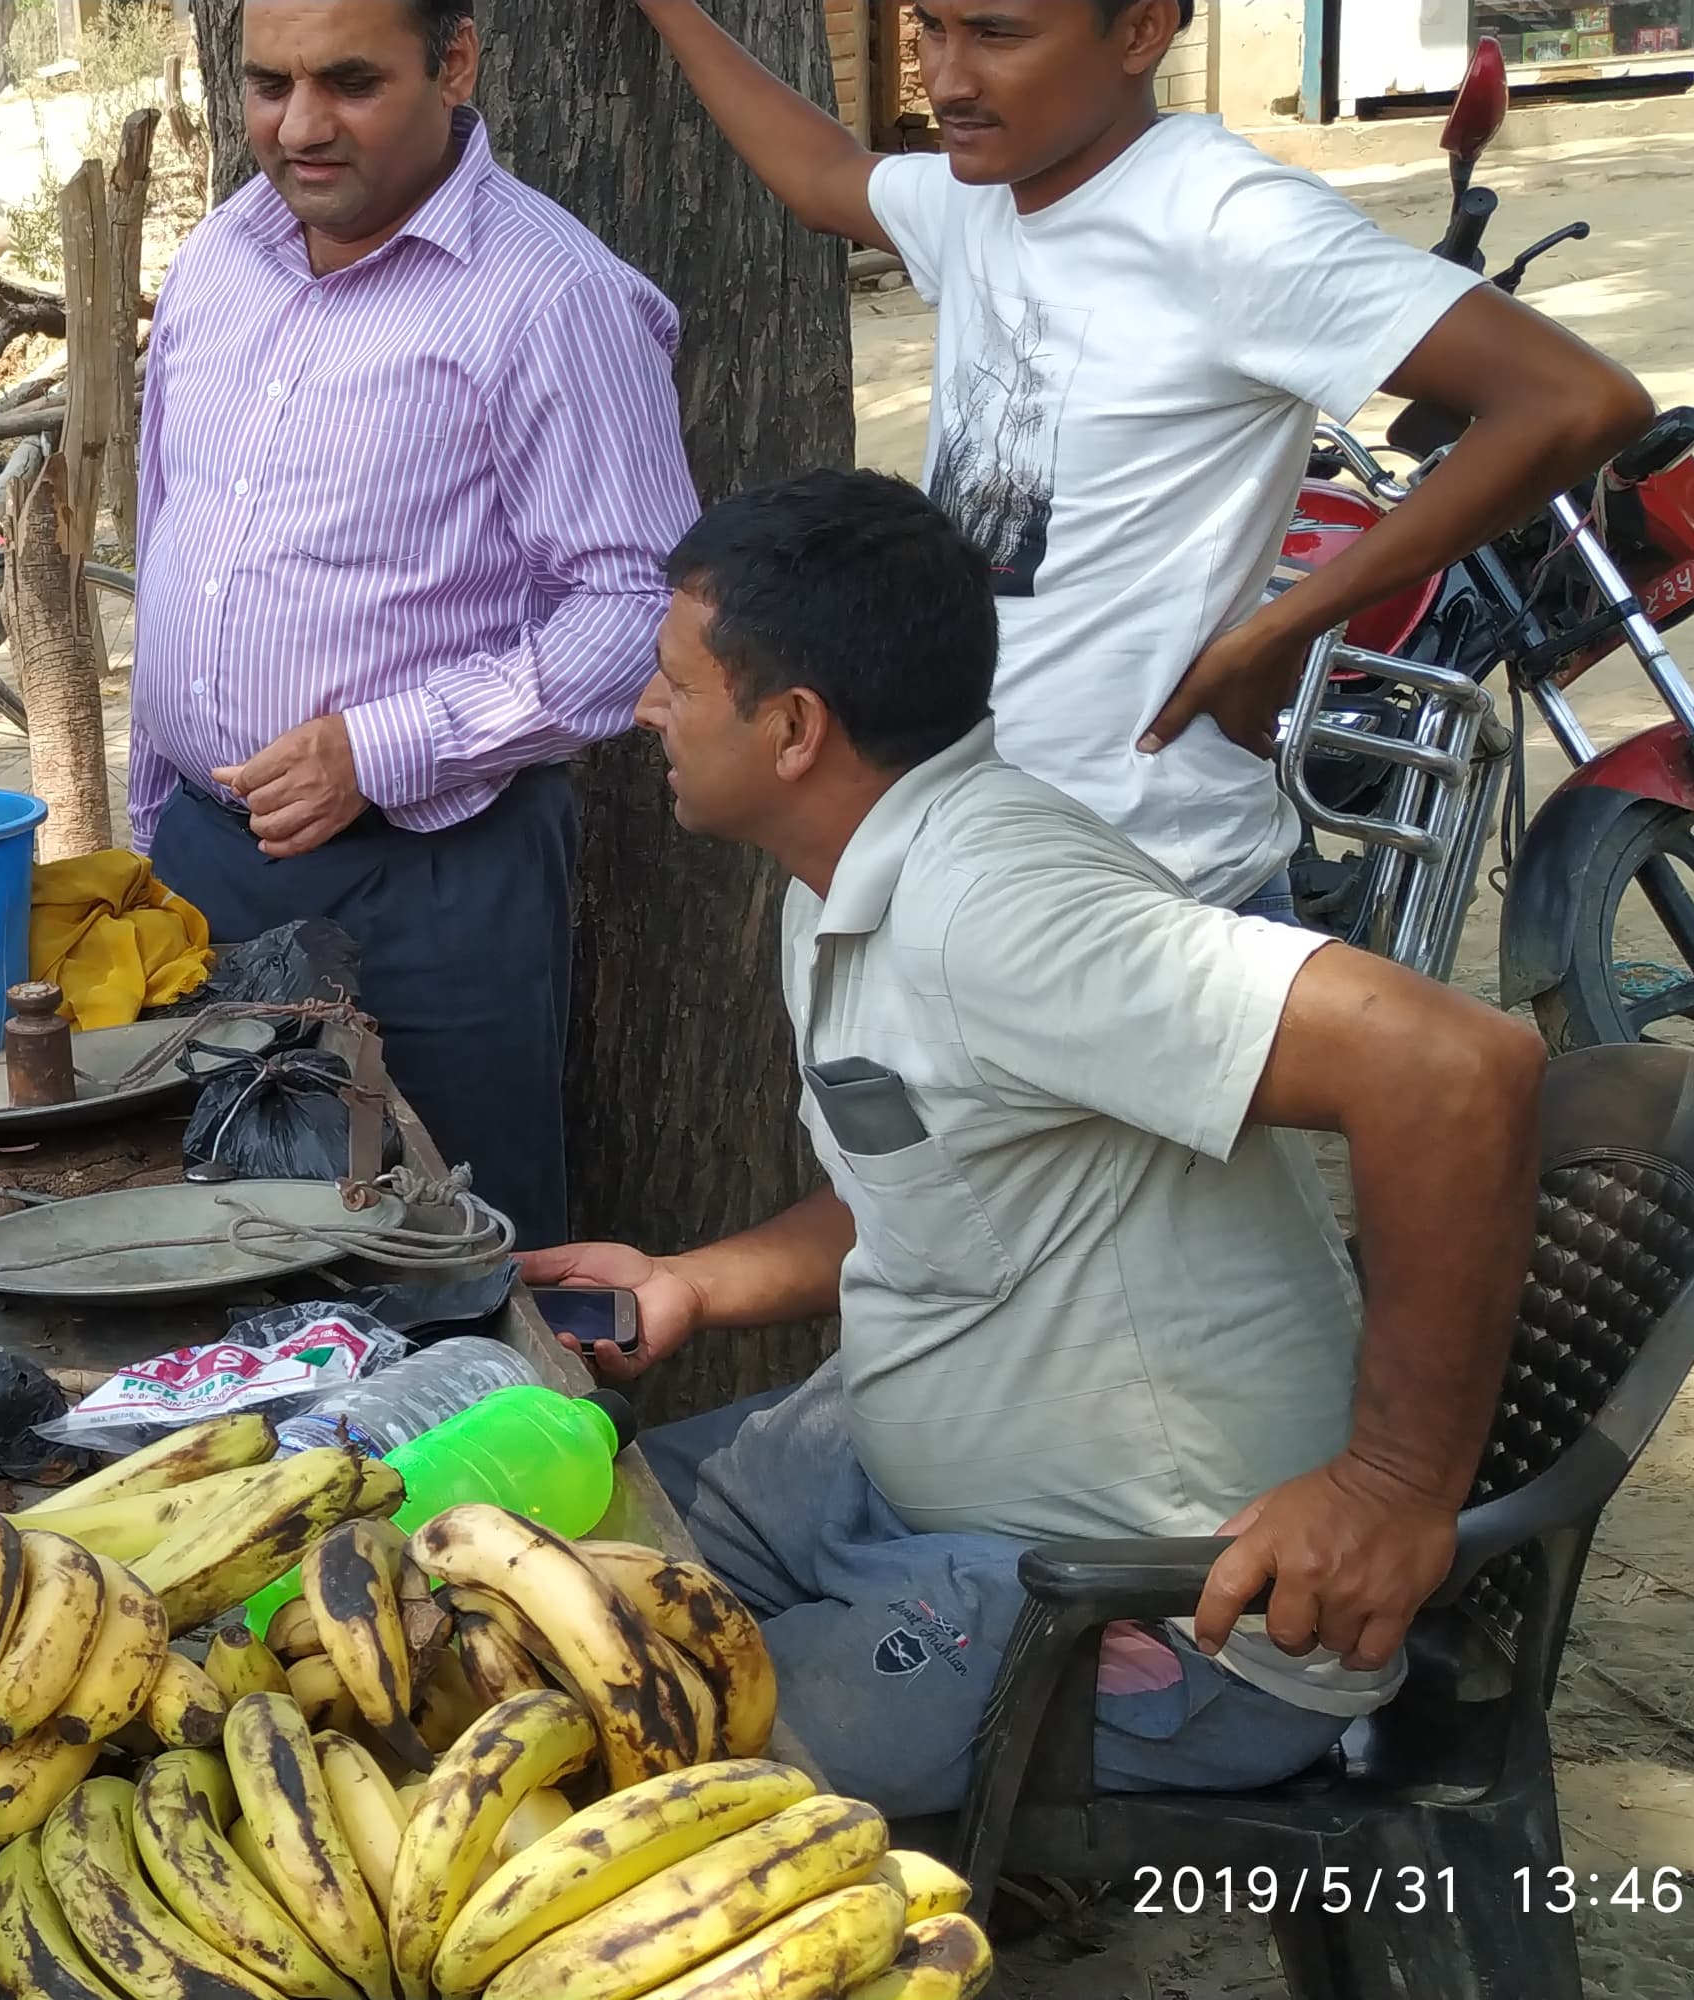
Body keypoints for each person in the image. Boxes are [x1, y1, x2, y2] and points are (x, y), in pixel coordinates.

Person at [526, 470, 1544, 1814]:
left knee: (632, 1780)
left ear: (792, 727)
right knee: (533, 1589)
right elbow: (933, 1174)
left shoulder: (1001, 910)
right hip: (887, 1481)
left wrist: (1393, 1487)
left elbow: (1458, 1064)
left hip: (1146, 1604)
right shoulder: (843, 872)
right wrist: (696, 1283)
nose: (645, 710)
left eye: (675, 682)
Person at [635, 0, 1649, 916]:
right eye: (928, 30)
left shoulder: (1226, 221)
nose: (944, 80)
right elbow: (819, 178)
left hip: (1148, 877)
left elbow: (1574, 400)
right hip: (967, 843)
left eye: (995, 34)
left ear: (1139, 30)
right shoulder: (980, 194)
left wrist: (1285, 627)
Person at [124, 0, 694, 1245]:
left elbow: (638, 608)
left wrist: (380, 748)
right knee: (202, 1235)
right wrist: (151, 810)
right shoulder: (225, 251)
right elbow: (174, 526)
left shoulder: (552, 298)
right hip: (204, 857)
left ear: (454, 61)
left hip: (432, 880)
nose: (299, 126)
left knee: (444, 1260)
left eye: (348, 81)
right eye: (267, 84)